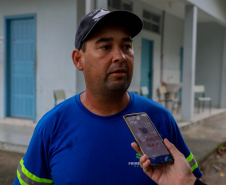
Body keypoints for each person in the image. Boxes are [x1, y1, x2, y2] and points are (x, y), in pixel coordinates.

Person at [14, 8, 205, 185]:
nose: (120, 56)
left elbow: (185, 178)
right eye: (105, 46)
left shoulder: (160, 119)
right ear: (78, 59)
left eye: (126, 46)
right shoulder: (51, 126)